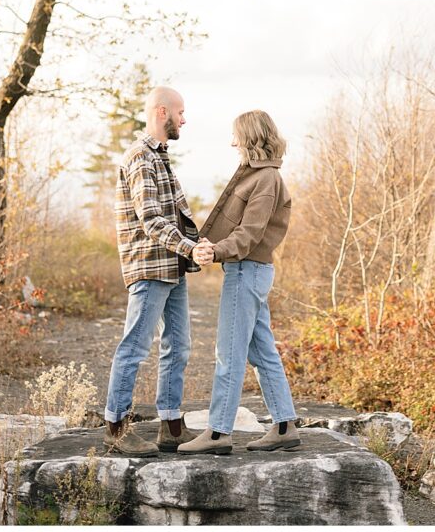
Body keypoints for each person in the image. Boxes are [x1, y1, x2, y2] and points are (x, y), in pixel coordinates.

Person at [179, 110, 301, 455]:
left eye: (236, 136)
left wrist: (215, 251)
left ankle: (218, 433)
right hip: (251, 270)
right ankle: (284, 425)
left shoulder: (265, 180)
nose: (233, 143)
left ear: (250, 137)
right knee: (262, 350)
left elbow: (249, 233)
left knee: (228, 354)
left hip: (247, 269)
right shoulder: (259, 176)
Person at [103, 86, 201, 456]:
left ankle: (171, 427)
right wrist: (192, 247)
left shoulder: (159, 158)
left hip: (171, 266)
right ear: (162, 112)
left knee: (179, 345)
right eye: (180, 112)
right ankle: (116, 428)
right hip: (149, 267)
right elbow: (152, 221)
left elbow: (177, 214)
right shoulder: (140, 158)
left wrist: (198, 246)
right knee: (135, 346)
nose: (184, 119)